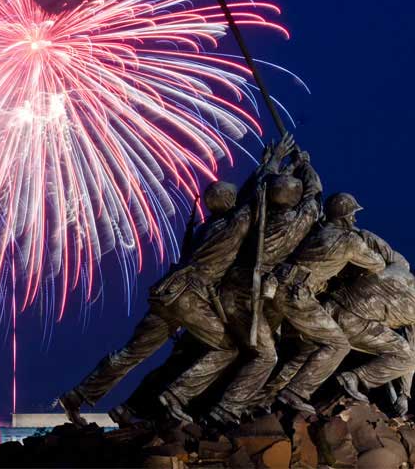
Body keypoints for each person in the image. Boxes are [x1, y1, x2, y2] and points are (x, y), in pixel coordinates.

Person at [57, 136, 294, 425]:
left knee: (132, 353)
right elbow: (255, 196)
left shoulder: (206, 227)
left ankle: (78, 395)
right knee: (228, 348)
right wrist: (274, 161)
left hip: (167, 292)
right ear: (230, 203)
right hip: (189, 296)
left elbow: (246, 197)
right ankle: (175, 396)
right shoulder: (234, 226)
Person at [209, 150, 323, 424]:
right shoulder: (298, 220)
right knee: (266, 356)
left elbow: (257, 187)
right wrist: (305, 164)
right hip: (254, 291)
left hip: (229, 286)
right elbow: (315, 193)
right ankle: (227, 408)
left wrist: (276, 164)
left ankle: (234, 402)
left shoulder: (254, 214)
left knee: (243, 346)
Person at [268, 267, 415, 416]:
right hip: (352, 322)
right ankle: (354, 378)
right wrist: (404, 394)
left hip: (327, 307)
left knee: (307, 353)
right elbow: (408, 352)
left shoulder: (398, 269)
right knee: (411, 358)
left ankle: (268, 397)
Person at [269, 191, 387, 414]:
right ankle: (295, 392)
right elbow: (378, 264)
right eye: (352, 215)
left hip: (276, 286)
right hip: (297, 294)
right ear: (343, 217)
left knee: (302, 347)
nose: (354, 220)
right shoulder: (348, 240)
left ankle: (265, 396)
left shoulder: (316, 231)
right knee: (338, 345)